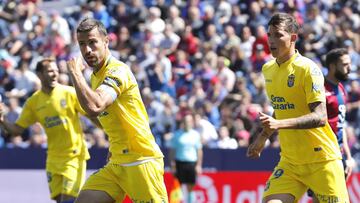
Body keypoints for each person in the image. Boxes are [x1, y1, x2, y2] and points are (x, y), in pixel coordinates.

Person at [246, 13, 349, 202]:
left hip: (322, 160)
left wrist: (279, 124)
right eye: (269, 35)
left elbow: (319, 117)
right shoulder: (268, 69)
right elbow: (282, 106)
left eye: (278, 35)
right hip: (291, 162)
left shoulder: (308, 69)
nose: (272, 40)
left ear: (293, 38)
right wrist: (262, 138)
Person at [66, 18, 168, 203]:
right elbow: (104, 116)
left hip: (141, 161)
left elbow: (95, 106)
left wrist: (75, 73)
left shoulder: (118, 71)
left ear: (106, 41)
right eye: (82, 44)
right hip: (117, 163)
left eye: (92, 42)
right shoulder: (96, 77)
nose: (87, 50)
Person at [0, 58, 93, 203]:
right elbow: (17, 130)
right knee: (59, 200)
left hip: (74, 156)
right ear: (39, 74)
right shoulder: (34, 102)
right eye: (50, 71)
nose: (54, 74)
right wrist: (2, 119)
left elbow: (92, 113)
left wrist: (111, 133)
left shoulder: (69, 93)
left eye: (56, 71)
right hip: (53, 159)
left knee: (68, 200)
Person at [307, 48, 356, 200]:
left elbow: (341, 125)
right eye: (345, 64)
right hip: (324, 156)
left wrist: (348, 157)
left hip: (338, 154)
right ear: (333, 66)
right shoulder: (320, 89)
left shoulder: (341, 88)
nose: (349, 68)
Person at [169, 114, 203, 203]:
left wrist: (199, 165)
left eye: (189, 121)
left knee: (190, 187)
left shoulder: (195, 135)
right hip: (179, 162)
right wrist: (173, 165)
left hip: (191, 163)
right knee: (177, 187)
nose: (187, 123)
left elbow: (199, 150)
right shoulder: (177, 135)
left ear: (192, 122)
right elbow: (172, 151)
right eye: (185, 121)